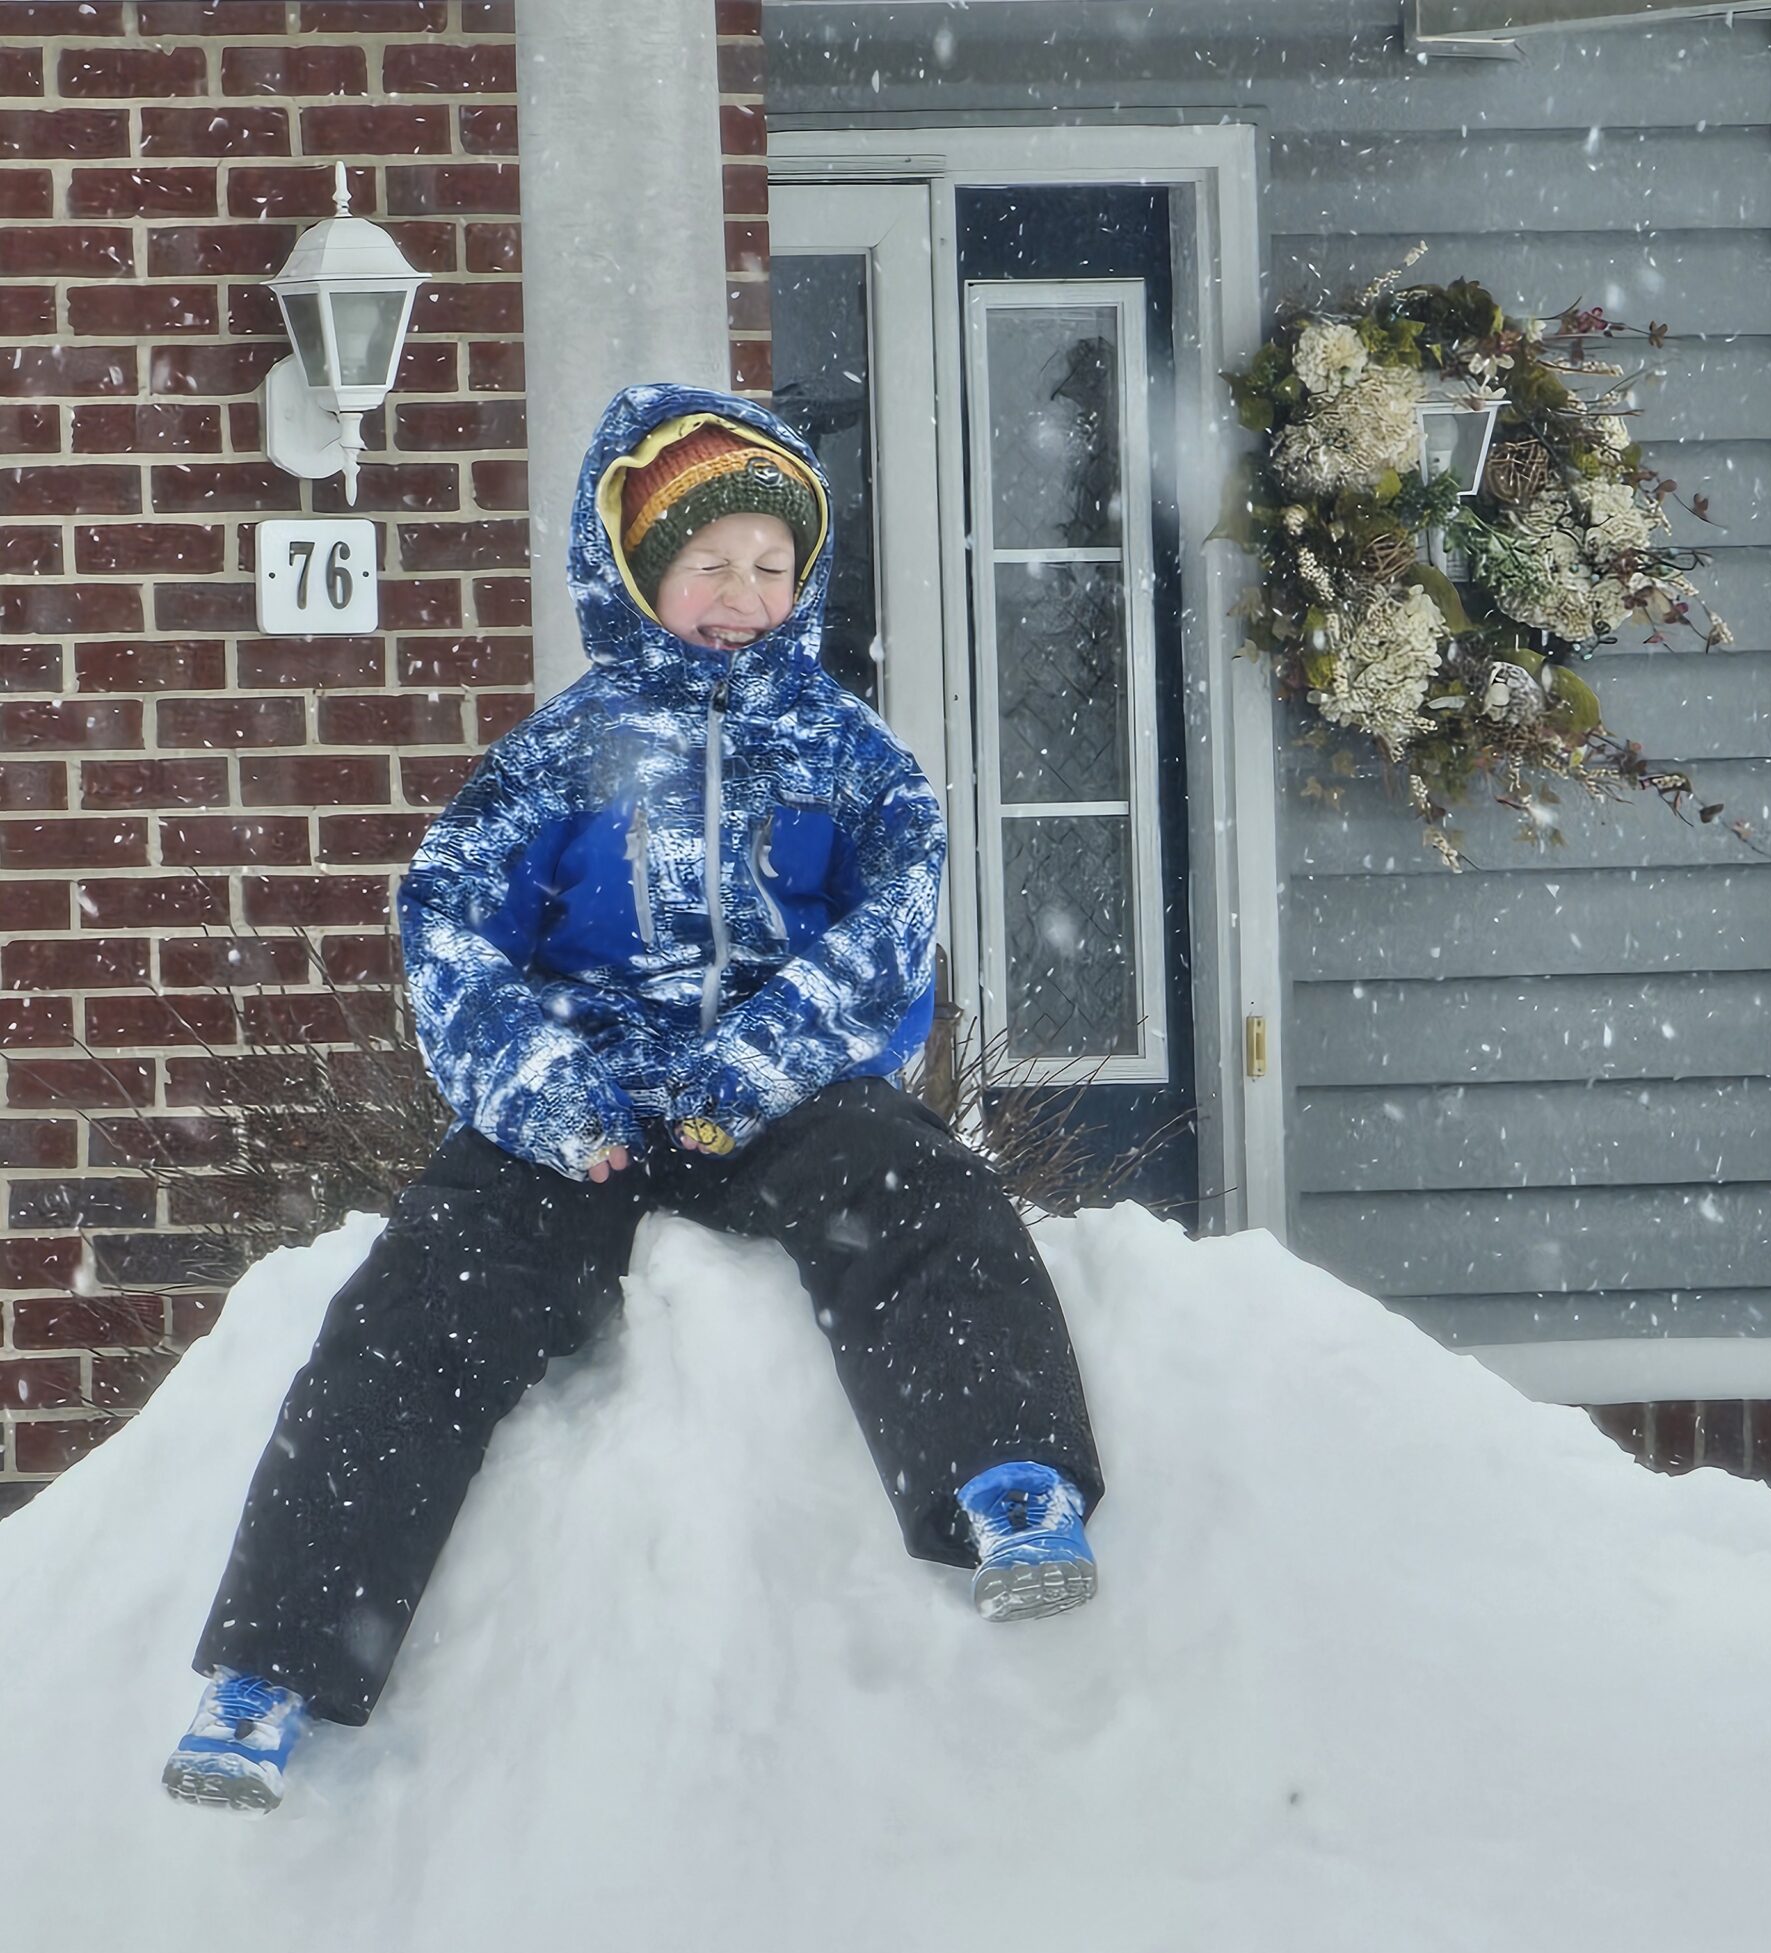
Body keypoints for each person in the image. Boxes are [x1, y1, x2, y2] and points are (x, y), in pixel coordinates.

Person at [163, 384, 1105, 1813]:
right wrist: (542, 1091)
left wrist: (767, 1058)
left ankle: (1009, 1483)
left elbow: (895, 927)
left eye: (769, 566)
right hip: (587, 1101)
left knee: (924, 1197)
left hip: (778, 1096)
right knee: (418, 1304)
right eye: (708, 563)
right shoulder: (559, 755)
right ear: (636, 573)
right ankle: (271, 1673)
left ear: (806, 581)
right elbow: (451, 930)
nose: (741, 593)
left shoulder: (851, 756)